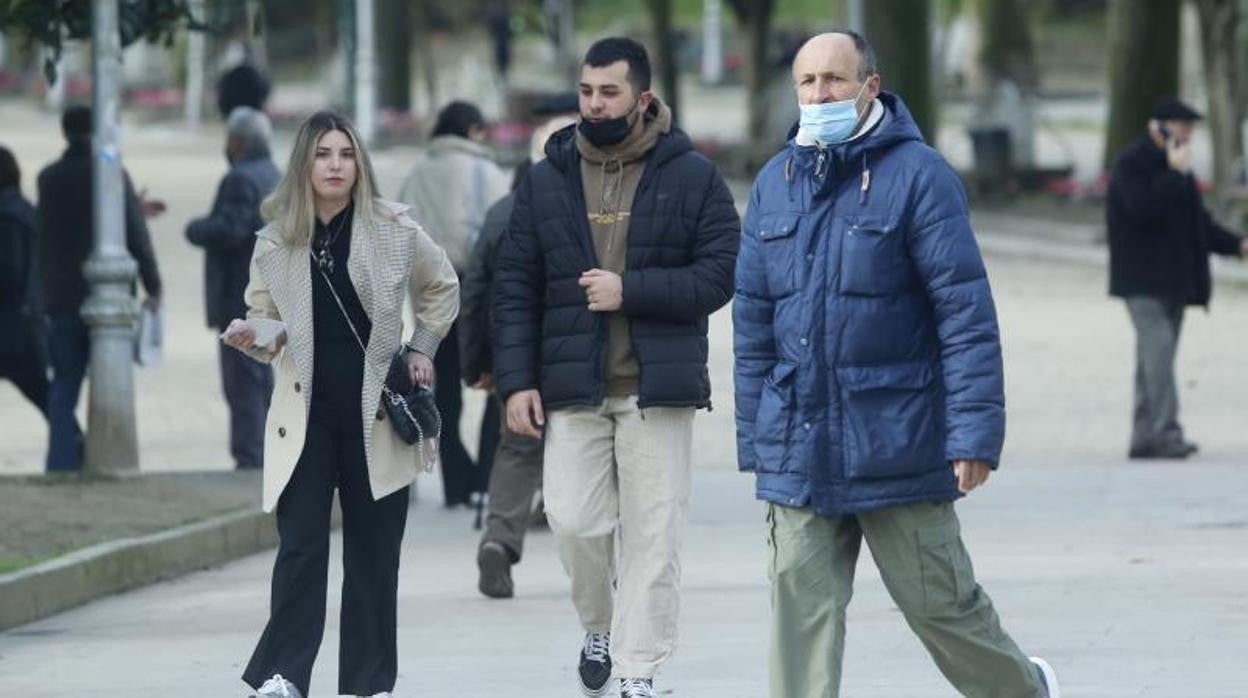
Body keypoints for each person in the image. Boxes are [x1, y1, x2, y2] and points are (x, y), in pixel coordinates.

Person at [733, 32, 1060, 698]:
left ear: (870, 87)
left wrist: (973, 436)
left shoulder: (920, 176)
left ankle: (1024, 691)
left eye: (835, 80)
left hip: (898, 444)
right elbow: (753, 325)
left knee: (941, 607)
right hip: (800, 448)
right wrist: (757, 438)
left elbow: (964, 316)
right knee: (800, 617)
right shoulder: (775, 184)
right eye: (808, 82)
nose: (820, 94)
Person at [494, 37, 739, 698]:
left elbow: (720, 274)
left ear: (644, 99)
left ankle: (638, 668)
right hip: (572, 386)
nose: (594, 104)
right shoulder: (546, 180)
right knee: (574, 523)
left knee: (654, 537)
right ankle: (599, 624)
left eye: (609, 92)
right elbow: (514, 284)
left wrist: (633, 289)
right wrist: (516, 381)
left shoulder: (692, 177)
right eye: (586, 92)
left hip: (657, 390)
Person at [222, 111, 458, 698]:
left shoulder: (393, 228)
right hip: (304, 415)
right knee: (301, 548)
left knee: (375, 556)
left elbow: (442, 286)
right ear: (304, 162)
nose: (335, 165)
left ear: (360, 163)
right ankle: (283, 676)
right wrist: (255, 338)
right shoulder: (276, 239)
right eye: (323, 154)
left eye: (346, 154)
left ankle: (368, 683)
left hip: (374, 411)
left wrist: (423, 346)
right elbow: (264, 316)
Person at [465, 103, 577, 600]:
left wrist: (478, 362)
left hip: (513, 354)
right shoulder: (594, 210)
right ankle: (605, 557)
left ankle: (500, 541)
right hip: (576, 354)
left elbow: (474, 289)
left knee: (516, 451)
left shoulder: (501, 212)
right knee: (589, 452)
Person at [1107, 97, 1247, 460]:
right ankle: (1167, 431)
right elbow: (1141, 209)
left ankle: (1143, 435)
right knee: (1160, 351)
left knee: (1152, 359)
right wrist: (1171, 173)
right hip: (1141, 279)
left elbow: (1198, 224)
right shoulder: (1132, 164)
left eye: (1189, 130)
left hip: (1173, 280)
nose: (1187, 136)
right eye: (1181, 128)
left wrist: (1237, 246)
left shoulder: (1181, 172)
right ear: (1159, 128)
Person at [396, 100, 511, 507]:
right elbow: (505, 233)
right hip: (479, 291)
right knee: (496, 380)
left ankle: (455, 482)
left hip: (430, 295)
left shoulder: (418, 173)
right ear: (475, 130)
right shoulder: (488, 173)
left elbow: (400, 234)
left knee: (441, 391)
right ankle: (484, 476)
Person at [36, 106, 163, 472]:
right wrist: (154, 285)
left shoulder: (49, 178)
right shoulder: (110, 173)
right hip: (107, 299)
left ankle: (60, 465)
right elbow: (135, 235)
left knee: (63, 388)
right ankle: (108, 459)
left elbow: (44, 236)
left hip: (60, 299)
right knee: (109, 382)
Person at [186, 107, 281, 471]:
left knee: (242, 384)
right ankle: (267, 453)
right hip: (268, 294)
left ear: (238, 142)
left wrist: (196, 228)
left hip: (239, 296)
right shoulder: (274, 174)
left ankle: (251, 460)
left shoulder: (241, 179)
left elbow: (230, 229)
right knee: (260, 380)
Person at [0, 146, 49, 422]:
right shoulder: (26, 211)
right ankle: (72, 448)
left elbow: (8, 272)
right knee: (48, 400)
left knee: (47, 398)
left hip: (9, 327)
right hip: (26, 325)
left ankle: (73, 447)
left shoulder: (6, 217)